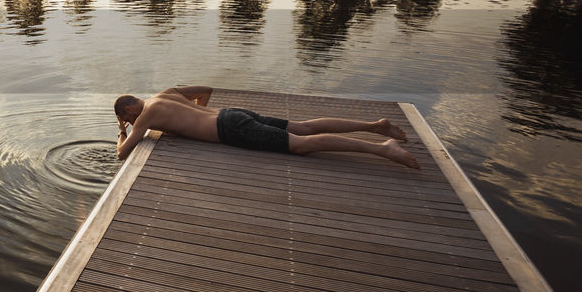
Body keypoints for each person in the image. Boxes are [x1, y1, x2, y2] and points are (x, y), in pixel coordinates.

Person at [114, 85, 419, 169]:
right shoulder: (164, 94)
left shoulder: (145, 116)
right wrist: (193, 118)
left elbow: (122, 154)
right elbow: (205, 90)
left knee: (299, 145)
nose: (131, 122)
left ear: (129, 109)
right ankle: (375, 125)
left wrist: (122, 132)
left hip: (231, 130)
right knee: (303, 127)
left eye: (128, 118)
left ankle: (382, 148)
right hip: (232, 113)